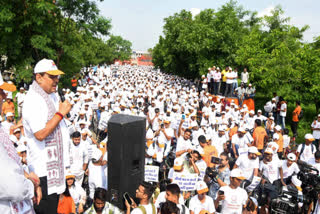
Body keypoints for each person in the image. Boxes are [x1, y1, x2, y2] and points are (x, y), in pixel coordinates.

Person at [22, 59, 72, 214]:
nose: (56, 80)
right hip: (42, 171)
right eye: (52, 76)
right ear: (39, 78)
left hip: (54, 169)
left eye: (57, 76)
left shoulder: (51, 95)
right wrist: (60, 113)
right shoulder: (33, 99)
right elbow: (40, 133)